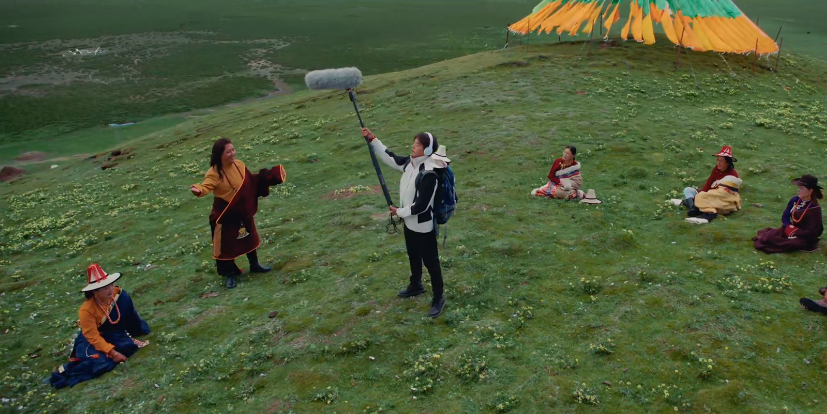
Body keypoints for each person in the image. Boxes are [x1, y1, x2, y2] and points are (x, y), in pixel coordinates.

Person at [362, 127, 448, 318]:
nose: (413, 146)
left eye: (417, 144)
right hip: (409, 224)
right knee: (413, 256)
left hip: (423, 226)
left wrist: (399, 212)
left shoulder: (430, 173)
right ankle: (416, 285)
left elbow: (422, 206)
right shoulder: (410, 163)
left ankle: (439, 298)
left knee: (431, 263)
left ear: (427, 150)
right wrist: (373, 140)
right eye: (414, 143)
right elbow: (391, 158)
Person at [191, 138, 286, 288]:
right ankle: (230, 274)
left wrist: (268, 178)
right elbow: (205, 187)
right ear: (220, 155)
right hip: (226, 213)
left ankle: (255, 265)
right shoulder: (214, 172)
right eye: (228, 151)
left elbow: (250, 182)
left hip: (242, 210)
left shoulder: (240, 165)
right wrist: (198, 189)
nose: (233, 153)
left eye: (233, 150)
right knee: (227, 244)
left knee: (249, 237)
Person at [49, 264, 150, 388]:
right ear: (95, 291)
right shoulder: (86, 310)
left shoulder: (120, 295)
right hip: (93, 340)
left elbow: (130, 314)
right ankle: (65, 371)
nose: (110, 290)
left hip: (114, 335)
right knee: (100, 363)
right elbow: (92, 336)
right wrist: (113, 353)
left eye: (111, 285)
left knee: (128, 347)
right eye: (105, 288)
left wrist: (138, 330)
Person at [753, 175, 823, 253]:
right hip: (790, 228)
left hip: (804, 236)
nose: (799, 190)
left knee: (792, 243)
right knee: (770, 236)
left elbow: (813, 231)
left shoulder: (814, 208)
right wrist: (788, 226)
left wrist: (795, 232)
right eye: (799, 188)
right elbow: (785, 216)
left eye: (802, 188)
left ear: (810, 191)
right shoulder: (795, 200)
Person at [671, 146, 739, 211]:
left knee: (703, 197)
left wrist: (702, 196)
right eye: (718, 160)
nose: (718, 163)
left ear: (727, 163)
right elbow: (709, 183)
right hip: (708, 193)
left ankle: (688, 204)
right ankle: (693, 207)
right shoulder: (716, 169)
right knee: (688, 190)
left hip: (719, 199)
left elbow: (728, 194)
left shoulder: (733, 175)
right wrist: (699, 195)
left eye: (721, 161)